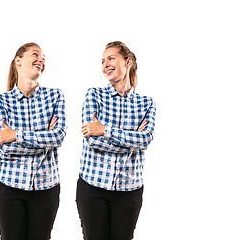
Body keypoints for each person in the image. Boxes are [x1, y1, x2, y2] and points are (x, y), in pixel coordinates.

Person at [76, 41, 156, 240]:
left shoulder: (147, 103)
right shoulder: (94, 95)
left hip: (129, 190)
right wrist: (131, 142)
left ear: (127, 62)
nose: (105, 65)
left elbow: (145, 139)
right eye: (103, 61)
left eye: (111, 58)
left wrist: (105, 131)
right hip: (92, 188)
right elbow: (92, 141)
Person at [0, 42, 67, 240]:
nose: (41, 59)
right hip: (9, 188)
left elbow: (58, 136)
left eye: (43, 57)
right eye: (35, 54)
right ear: (18, 61)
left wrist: (16, 135)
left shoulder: (55, 96)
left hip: (46, 189)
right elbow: (6, 147)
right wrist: (44, 140)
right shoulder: (1, 100)